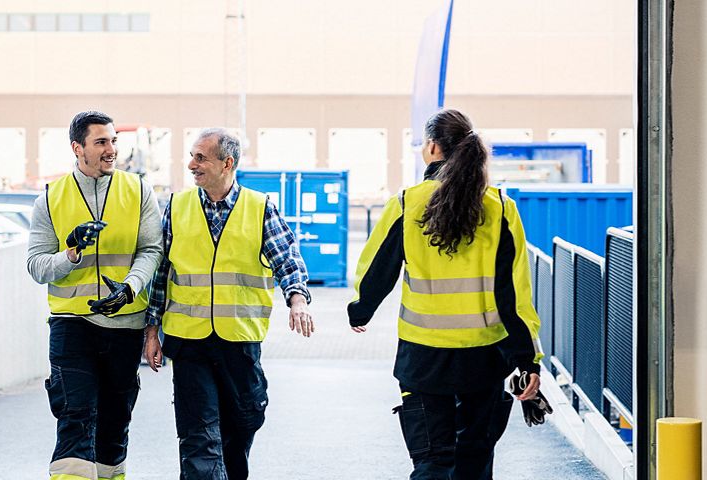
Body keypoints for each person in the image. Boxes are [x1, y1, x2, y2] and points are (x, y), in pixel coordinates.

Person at [347, 109, 543, 480]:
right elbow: (514, 294)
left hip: (423, 359)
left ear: (433, 147)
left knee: (433, 463)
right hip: (484, 358)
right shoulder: (501, 208)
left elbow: (376, 269)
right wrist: (527, 360)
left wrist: (361, 310)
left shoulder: (407, 203)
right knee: (474, 463)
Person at [143, 128, 314, 480]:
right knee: (198, 435)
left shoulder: (260, 208)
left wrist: (297, 300)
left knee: (241, 427)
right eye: (192, 156)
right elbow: (161, 272)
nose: (192, 165)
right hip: (189, 341)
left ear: (227, 163)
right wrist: (151, 330)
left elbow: (287, 260)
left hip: (239, 341)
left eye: (201, 158)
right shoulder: (177, 206)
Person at [26, 110, 162, 480]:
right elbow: (36, 266)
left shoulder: (138, 191)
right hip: (72, 325)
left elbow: (151, 250)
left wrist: (130, 288)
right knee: (75, 415)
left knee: (115, 423)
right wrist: (70, 254)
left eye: (114, 140)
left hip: (125, 325)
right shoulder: (51, 198)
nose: (111, 149)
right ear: (78, 148)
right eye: (101, 142)